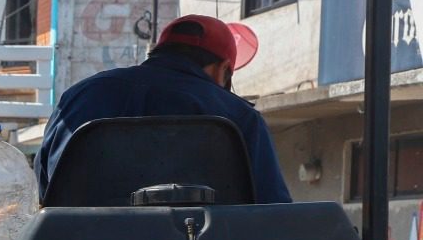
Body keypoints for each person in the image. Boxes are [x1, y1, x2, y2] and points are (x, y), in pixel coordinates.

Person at [37, 14, 291, 204]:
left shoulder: (78, 97)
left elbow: (41, 192)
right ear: (223, 69)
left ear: (156, 52)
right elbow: (273, 215)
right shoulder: (240, 118)